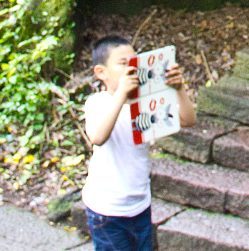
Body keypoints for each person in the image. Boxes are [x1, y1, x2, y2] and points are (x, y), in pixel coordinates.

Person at [83, 37, 197, 251]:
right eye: (124, 63)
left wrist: (178, 88)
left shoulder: (146, 103)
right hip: (106, 209)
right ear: (101, 72)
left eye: (135, 62)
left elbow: (188, 120)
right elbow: (98, 137)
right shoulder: (97, 103)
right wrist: (122, 94)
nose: (132, 68)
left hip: (139, 204)